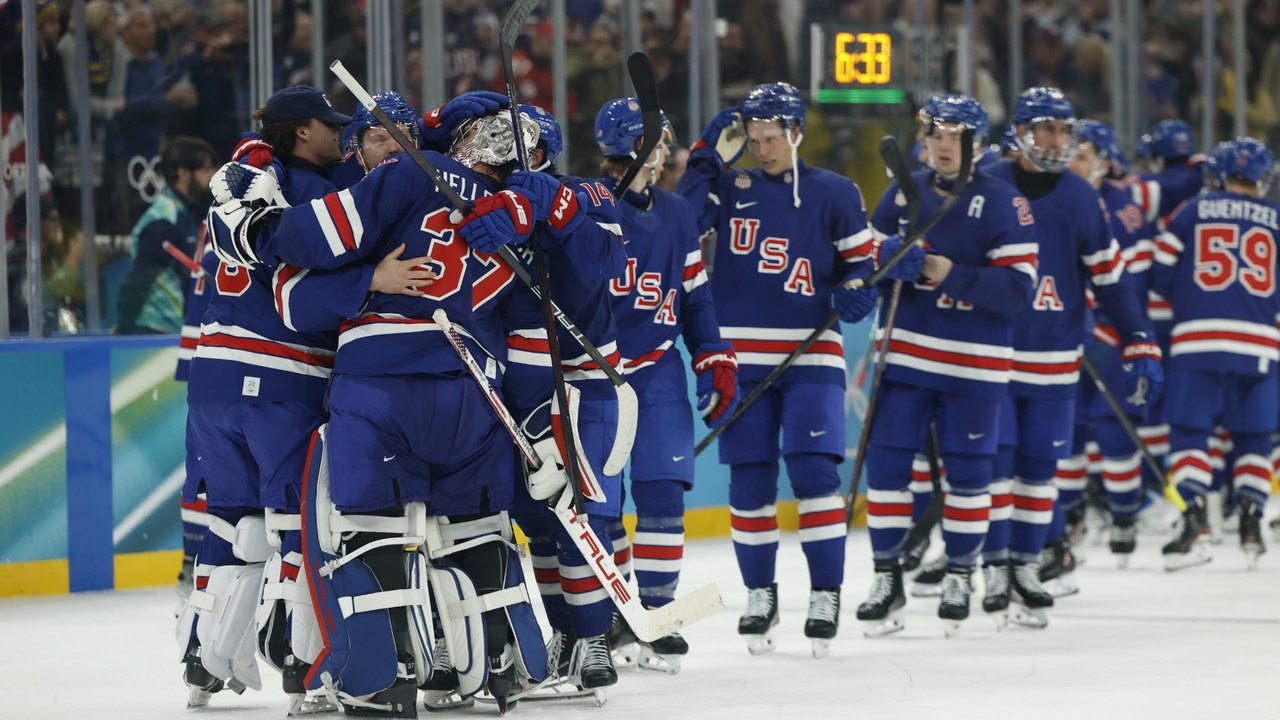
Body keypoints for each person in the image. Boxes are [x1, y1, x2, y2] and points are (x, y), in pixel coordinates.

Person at [206, 102, 557, 715]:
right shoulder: (523, 219)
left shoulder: (409, 175)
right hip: (475, 392)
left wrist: (254, 225)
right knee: (477, 528)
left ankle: (382, 680)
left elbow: (305, 262)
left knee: (372, 535)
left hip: (382, 388)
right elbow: (532, 318)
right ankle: (502, 667)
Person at [676, 82, 874, 657]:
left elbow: (861, 266)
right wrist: (702, 161)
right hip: (741, 356)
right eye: (753, 138)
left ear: (796, 133)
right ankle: (760, 594)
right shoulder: (726, 187)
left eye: (771, 138)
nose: (761, 149)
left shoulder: (835, 192)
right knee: (751, 482)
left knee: (814, 474)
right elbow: (683, 227)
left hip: (812, 356)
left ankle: (825, 594)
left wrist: (855, 292)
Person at [176, 85, 351, 712]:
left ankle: (202, 660)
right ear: (300, 132)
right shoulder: (312, 193)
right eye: (330, 125)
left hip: (213, 378)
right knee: (303, 524)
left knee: (231, 520)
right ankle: (307, 669)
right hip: (282, 377)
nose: (342, 135)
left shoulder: (240, 176)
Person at [847, 95, 1038, 637]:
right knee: (886, 473)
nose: (943, 146)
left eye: (955, 137)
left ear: (977, 144)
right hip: (903, 357)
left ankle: (960, 573)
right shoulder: (900, 196)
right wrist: (884, 263)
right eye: (936, 135)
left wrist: (947, 271)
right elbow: (864, 258)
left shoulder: (1006, 203)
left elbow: (1018, 291)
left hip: (973, 366)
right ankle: (886, 577)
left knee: (971, 476)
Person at [973, 88, 1162, 627]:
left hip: (1055, 357)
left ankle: (1027, 565)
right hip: (991, 355)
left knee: (1038, 472)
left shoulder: (1081, 196)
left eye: (1063, 130)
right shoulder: (985, 181)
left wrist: (1139, 338)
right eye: (1045, 130)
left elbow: (1111, 279)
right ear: (1020, 132)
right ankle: (992, 564)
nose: (1056, 141)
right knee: (995, 471)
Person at [593, 97, 738, 673]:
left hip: (655, 369)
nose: (666, 152)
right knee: (600, 506)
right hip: (593, 373)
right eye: (658, 142)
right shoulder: (583, 203)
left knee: (661, 492)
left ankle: (657, 615)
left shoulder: (677, 212)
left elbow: (694, 295)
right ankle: (609, 613)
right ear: (630, 146)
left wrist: (712, 353)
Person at [1153, 137, 1279, 571]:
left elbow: (1159, 272)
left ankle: (1192, 519)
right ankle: (1251, 518)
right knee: (1253, 436)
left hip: (1198, 337)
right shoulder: (1278, 218)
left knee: (1190, 432)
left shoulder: (1191, 211)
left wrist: (1191, 299)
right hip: (1260, 342)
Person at [1059, 119, 1159, 571]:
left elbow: (1129, 287)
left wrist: (1103, 329)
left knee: (1114, 430)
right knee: (1067, 433)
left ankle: (1123, 514)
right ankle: (1070, 515)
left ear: (1102, 161)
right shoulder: (1055, 196)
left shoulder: (1123, 209)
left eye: (1082, 155)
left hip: (1109, 338)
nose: (1073, 162)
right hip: (1061, 336)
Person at [116, 136, 217, 334]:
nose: (212, 176)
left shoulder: (187, 213)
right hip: (154, 333)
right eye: (206, 169)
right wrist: (123, 329)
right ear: (184, 173)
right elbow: (137, 283)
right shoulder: (164, 220)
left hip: (175, 331)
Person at [1130, 119, 1206, 226]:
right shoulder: (1200, 170)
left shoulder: (1189, 176)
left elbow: (1174, 183)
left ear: (1159, 157)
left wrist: (1138, 179)